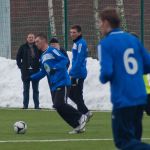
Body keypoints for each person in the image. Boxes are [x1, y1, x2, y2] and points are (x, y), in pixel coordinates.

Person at [98, 7, 150, 150]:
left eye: (100, 22)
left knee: (123, 142)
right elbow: (148, 65)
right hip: (140, 97)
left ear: (106, 22)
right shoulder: (133, 40)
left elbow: (107, 72)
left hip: (123, 98)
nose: (99, 26)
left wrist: (103, 77)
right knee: (134, 140)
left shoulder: (105, 43)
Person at [30, 33, 88, 134]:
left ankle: (81, 116)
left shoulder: (52, 50)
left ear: (43, 41)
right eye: (35, 42)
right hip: (54, 85)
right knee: (58, 106)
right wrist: (31, 78)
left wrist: (55, 68)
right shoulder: (42, 57)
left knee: (59, 103)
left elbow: (64, 60)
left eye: (37, 41)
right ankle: (77, 125)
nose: (36, 44)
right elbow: (44, 71)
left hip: (62, 82)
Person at [69, 25, 92, 120]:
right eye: (71, 32)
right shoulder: (77, 43)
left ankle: (83, 114)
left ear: (79, 33)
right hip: (76, 72)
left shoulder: (81, 43)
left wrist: (72, 72)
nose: (72, 34)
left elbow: (79, 59)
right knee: (72, 94)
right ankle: (85, 112)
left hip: (78, 73)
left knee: (77, 95)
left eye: (74, 32)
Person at [16, 33, 41, 109]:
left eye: (32, 37)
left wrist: (39, 65)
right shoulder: (22, 47)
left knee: (35, 89)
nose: (30, 39)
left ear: (34, 39)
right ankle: (25, 106)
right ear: (27, 38)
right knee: (26, 89)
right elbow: (18, 58)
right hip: (25, 72)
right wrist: (21, 66)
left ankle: (36, 106)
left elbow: (42, 57)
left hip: (35, 71)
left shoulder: (37, 47)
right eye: (29, 37)